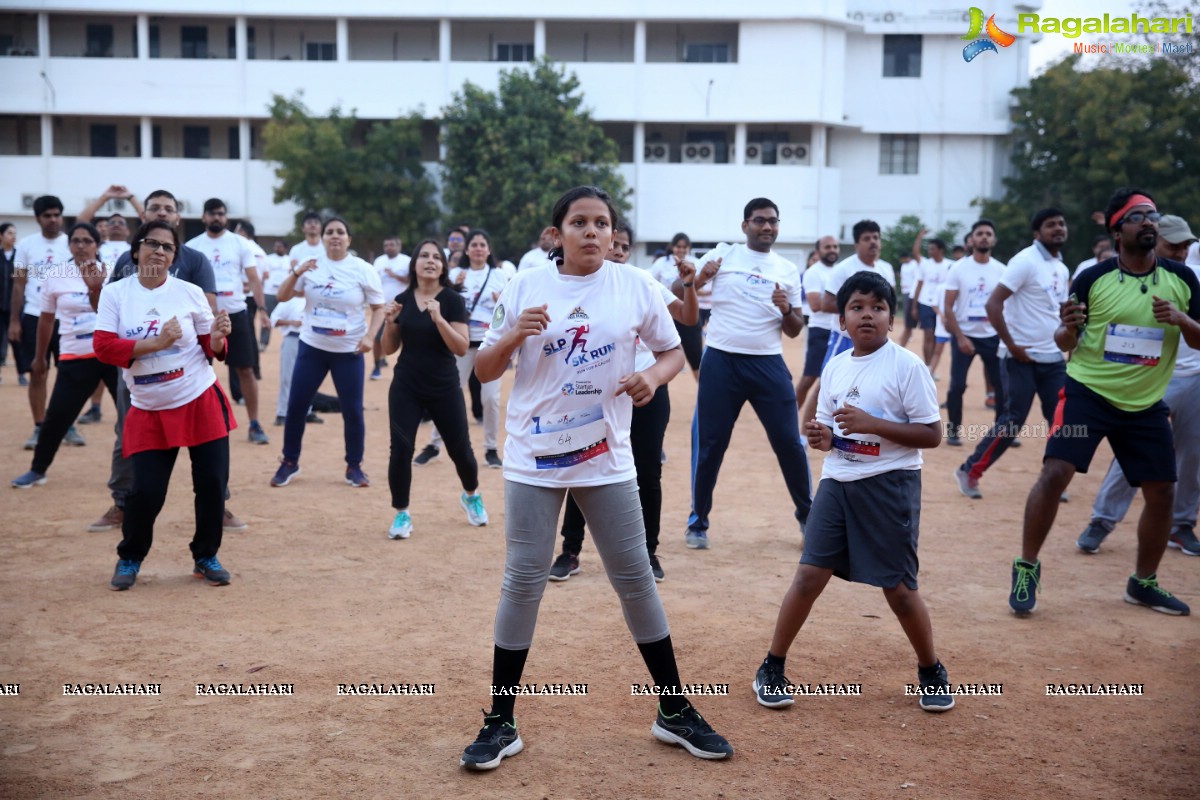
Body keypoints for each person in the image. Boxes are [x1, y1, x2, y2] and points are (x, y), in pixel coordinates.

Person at [459, 185, 731, 771]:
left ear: (613, 234)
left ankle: (674, 710)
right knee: (523, 581)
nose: (591, 232)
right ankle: (500, 721)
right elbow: (482, 369)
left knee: (635, 578)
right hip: (535, 459)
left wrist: (653, 379)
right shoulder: (526, 286)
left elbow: (673, 351)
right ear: (556, 234)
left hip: (606, 457)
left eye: (601, 223)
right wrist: (512, 334)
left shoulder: (634, 286)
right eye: (578, 223)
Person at [753, 271, 952, 711]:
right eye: (858, 307)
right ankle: (772, 665)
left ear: (891, 319)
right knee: (808, 576)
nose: (868, 315)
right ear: (842, 320)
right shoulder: (837, 366)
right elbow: (826, 429)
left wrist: (872, 424)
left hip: (890, 484)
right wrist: (821, 436)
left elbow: (933, 434)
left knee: (899, 589)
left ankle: (930, 669)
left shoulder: (907, 366)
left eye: (878, 308)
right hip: (838, 481)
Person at [1009, 188, 1200, 617]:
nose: (1149, 222)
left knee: (1162, 492)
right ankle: (1026, 567)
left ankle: (1143, 583)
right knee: (1055, 472)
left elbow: (1198, 337)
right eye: (1138, 217)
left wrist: (1182, 319)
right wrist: (1067, 328)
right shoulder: (1093, 279)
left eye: (1153, 215)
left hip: (1146, 401)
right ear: (1118, 232)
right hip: (1089, 393)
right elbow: (1064, 342)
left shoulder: (1182, 280)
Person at [549, 219, 698, 582]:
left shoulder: (641, 283)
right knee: (583, 465)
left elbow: (688, 317)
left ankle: (648, 552)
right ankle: (570, 551)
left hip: (646, 390)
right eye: (616, 244)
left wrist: (691, 285)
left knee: (648, 471)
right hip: (594, 392)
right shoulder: (578, 287)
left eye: (624, 246)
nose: (617, 251)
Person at [92, 219, 237, 591]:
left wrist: (219, 337)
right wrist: (155, 344)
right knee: (145, 492)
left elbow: (212, 348)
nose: (159, 250)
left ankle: (206, 556)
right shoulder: (116, 294)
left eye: (167, 247)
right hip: (149, 406)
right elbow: (104, 348)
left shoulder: (189, 292)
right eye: (151, 243)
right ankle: (130, 557)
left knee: (211, 484)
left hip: (198, 398)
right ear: (136, 249)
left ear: (175, 256)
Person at [686, 199, 811, 550]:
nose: (767, 227)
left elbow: (794, 329)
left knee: (789, 442)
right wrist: (702, 278)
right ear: (745, 226)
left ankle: (808, 514)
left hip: (767, 364)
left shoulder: (787, 270)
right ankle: (698, 521)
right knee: (711, 444)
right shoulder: (723, 256)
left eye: (773, 221)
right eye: (760, 221)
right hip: (721, 362)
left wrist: (785, 307)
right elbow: (685, 293)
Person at [1076, 213, 1200, 557]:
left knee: (1192, 456)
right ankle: (1102, 520)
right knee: (1130, 454)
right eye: (1173, 245)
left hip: (1195, 378)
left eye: (1186, 245)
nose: (1180, 252)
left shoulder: (1189, 274)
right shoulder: (1128, 273)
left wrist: (1182, 318)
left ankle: (1182, 525)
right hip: (1145, 378)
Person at [954, 209, 1070, 499]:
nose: (1058, 228)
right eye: (1050, 225)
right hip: (1019, 357)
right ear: (1037, 232)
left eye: (1061, 224)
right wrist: (1011, 344)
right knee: (1012, 421)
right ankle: (970, 470)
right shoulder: (1024, 261)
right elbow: (993, 305)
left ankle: (1053, 480)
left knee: (1060, 421)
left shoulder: (1060, 267)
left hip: (1053, 357)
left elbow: (1059, 311)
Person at [381, 238, 486, 539]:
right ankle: (402, 513)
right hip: (406, 385)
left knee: (460, 450)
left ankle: (471, 495)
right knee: (400, 450)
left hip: (443, 385)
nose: (430, 261)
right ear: (414, 264)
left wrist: (438, 318)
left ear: (443, 266)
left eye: (436, 257)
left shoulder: (452, 300)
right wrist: (390, 322)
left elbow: (461, 346)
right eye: (424, 256)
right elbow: (389, 350)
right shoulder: (401, 298)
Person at [270, 217, 385, 488]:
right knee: (297, 405)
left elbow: (379, 307)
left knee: (353, 411)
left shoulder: (362, 269)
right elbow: (283, 297)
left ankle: (354, 466)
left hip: (348, 351)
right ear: (322, 238)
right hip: (312, 348)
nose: (335, 236)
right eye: (329, 232)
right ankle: (289, 461)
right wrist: (297, 272)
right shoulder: (311, 267)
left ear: (348, 239)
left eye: (340, 232)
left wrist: (370, 336)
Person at [11, 222, 119, 487]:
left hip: (113, 355)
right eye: (76, 241)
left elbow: (114, 313)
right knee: (57, 416)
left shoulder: (114, 272)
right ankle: (38, 469)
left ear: (98, 245)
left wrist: (97, 288)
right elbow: (46, 320)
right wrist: (39, 358)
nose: (81, 246)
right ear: (68, 245)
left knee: (132, 416)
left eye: (87, 241)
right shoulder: (56, 275)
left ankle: (140, 471)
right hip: (75, 355)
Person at [415, 229, 509, 469]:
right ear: (466, 250)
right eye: (474, 245)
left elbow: (511, 312)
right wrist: (453, 288)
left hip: (489, 346)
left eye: (482, 245)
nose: (478, 249)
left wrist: (503, 300)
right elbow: (437, 303)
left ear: (488, 250)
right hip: (459, 346)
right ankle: (434, 445)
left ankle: (490, 449)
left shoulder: (500, 276)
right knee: (447, 394)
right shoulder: (455, 274)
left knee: (491, 400)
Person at [186, 198, 270, 445]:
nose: (217, 218)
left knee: (246, 369)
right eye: (212, 214)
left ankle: (254, 424)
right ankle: (196, 425)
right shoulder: (193, 246)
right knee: (198, 370)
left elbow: (253, 278)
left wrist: (263, 308)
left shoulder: (240, 243)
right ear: (204, 217)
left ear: (226, 217)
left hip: (236, 314)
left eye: (221, 214)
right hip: (202, 318)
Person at [9, 196, 74, 450]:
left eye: (57, 214)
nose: (53, 219)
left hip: (67, 316)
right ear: (37, 218)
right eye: (48, 215)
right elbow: (18, 283)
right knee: (38, 370)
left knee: (69, 374)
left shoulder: (73, 243)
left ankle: (67, 425)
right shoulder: (25, 246)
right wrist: (15, 320)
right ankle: (39, 426)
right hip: (35, 314)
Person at [941, 221, 1006, 446]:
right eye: (980, 233)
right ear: (972, 239)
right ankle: (953, 430)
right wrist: (960, 337)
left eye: (989, 234)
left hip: (992, 336)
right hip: (965, 335)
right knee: (957, 385)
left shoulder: (1001, 270)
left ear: (994, 240)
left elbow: (1006, 305)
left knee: (1002, 386)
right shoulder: (959, 268)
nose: (984, 237)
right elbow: (948, 306)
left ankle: (1002, 432)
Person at [795, 235, 839, 414]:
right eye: (827, 247)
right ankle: (788, 418)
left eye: (835, 247)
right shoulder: (813, 272)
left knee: (832, 382)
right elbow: (815, 305)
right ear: (818, 250)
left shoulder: (839, 271)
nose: (832, 250)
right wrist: (848, 304)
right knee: (809, 378)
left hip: (838, 331)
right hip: (820, 331)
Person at [651, 233, 703, 378]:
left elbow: (702, 286)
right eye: (678, 246)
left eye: (684, 247)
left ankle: (703, 399)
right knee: (659, 358)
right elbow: (649, 283)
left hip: (687, 313)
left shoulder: (695, 263)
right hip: (665, 315)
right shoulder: (661, 263)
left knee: (696, 360)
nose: (681, 250)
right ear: (672, 247)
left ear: (689, 248)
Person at [911, 229, 951, 369]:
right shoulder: (925, 264)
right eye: (928, 249)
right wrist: (914, 306)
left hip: (941, 306)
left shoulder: (950, 265)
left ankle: (932, 367)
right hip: (925, 303)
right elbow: (919, 285)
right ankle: (927, 365)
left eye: (932, 249)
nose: (929, 251)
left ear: (941, 250)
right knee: (928, 334)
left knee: (935, 336)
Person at [372, 235, 409, 380]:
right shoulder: (379, 261)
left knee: (408, 339)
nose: (388, 247)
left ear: (399, 246)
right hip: (382, 307)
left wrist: (394, 275)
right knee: (377, 338)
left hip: (403, 307)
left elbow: (412, 280)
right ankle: (376, 367)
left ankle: (405, 370)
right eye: (386, 245)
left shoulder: (406, 261)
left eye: (391, 245)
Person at [269, 293, 306, 427]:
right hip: (292, 338)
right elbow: (273, 319)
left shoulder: (314, 297)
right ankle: (282, 412)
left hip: (311, 341)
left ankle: (308, 411)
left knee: (309, 378)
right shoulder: (289, 301)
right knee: (287, 377)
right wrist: (291, 322)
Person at [259, 239, 290, 349]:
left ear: (285, 248)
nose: (277, 248)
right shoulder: (268, 259)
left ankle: (288, 342)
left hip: (285, 294)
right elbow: (263, 274)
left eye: (280, 246)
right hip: (269, 292)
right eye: (276, 246)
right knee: (266, 318)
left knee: (290, 317)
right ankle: (263, 343)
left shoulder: (289, 260)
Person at [1, 223, 18, 382]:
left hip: (16, 306)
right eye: (9, 233)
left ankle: (21, 374)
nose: (13, 236)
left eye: (14, 233)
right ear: (1, 236)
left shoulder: (19, 256)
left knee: (18, 339)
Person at [898, 253, 918, 347]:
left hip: (911, 292)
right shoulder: (903, 266)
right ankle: (908, 332)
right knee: (906, 313)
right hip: (905, 291)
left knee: (908, 313)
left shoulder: (914, 264)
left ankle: (908, 333)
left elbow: (916, 278)